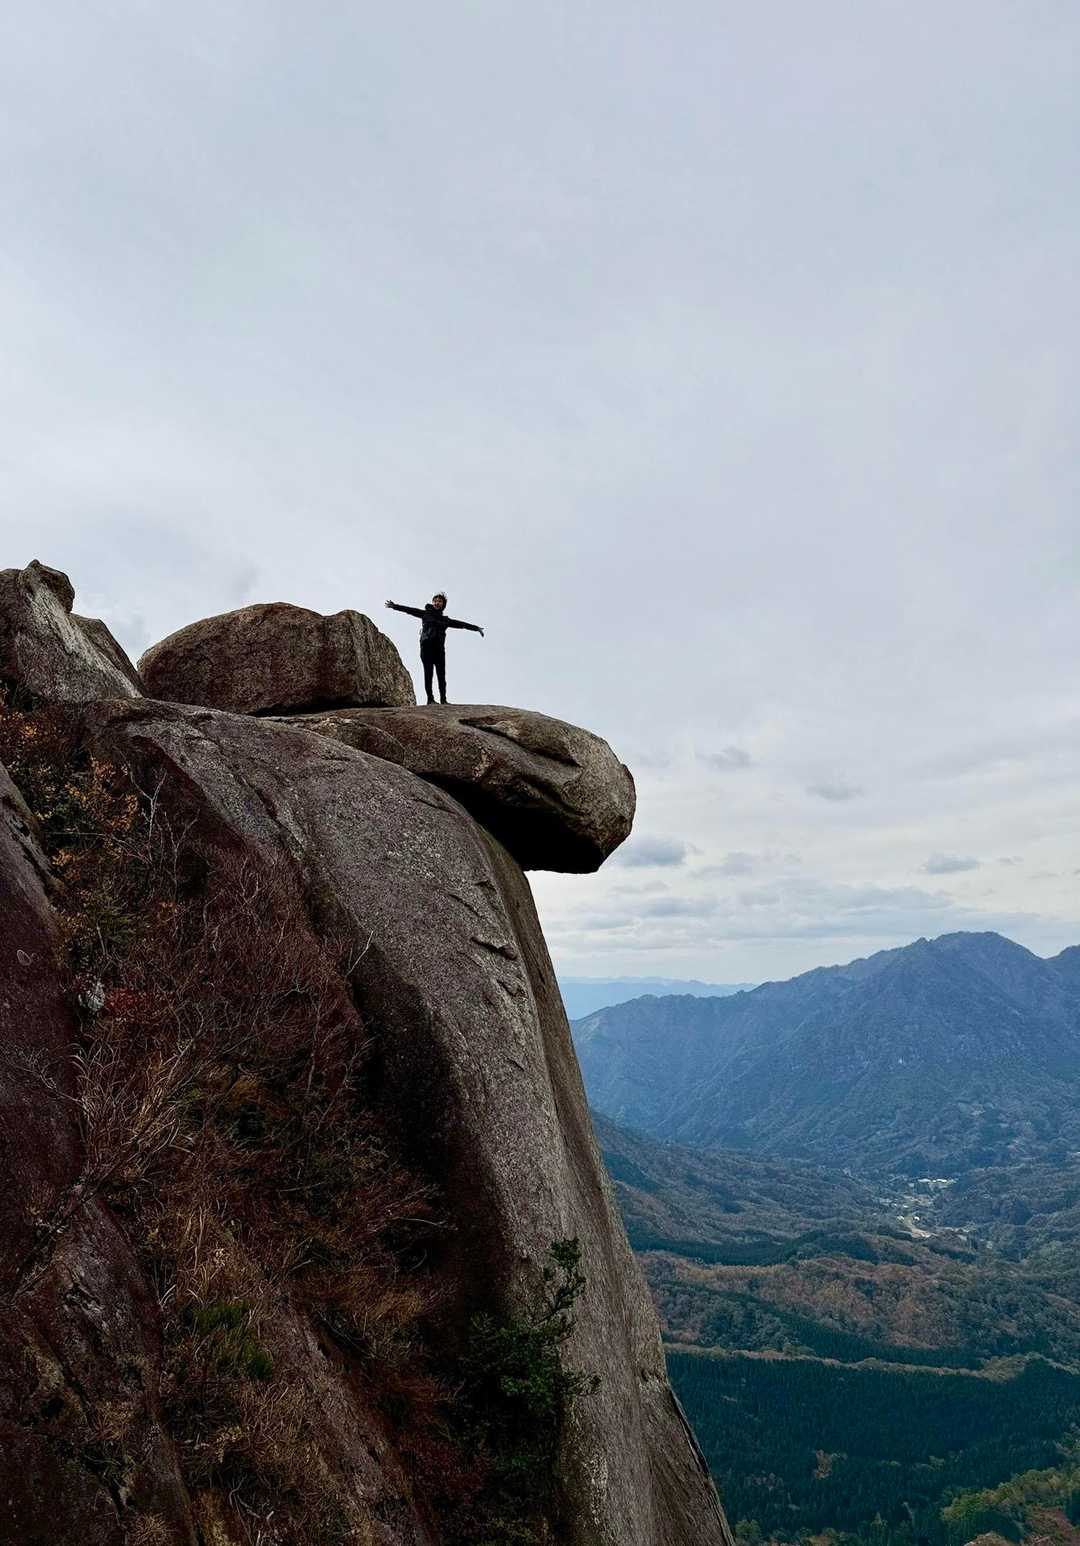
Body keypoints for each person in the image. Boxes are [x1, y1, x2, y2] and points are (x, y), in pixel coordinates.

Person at [385, 592, 484, 705]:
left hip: (439, 649)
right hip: (426, 646)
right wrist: (395, 606)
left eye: (440, 601)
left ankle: (443, 700)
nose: (437, 603)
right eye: (435, 601)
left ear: (443, 605)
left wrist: (476, 628)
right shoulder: (425, 614)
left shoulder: (445, 620)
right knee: (429, 673)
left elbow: (462, 624)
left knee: (441, 675)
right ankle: (430, 699)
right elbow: (410, 610)